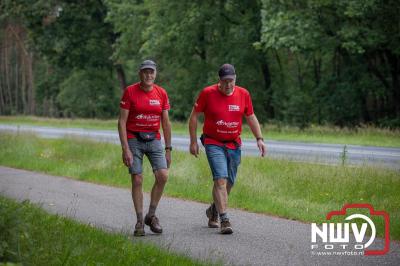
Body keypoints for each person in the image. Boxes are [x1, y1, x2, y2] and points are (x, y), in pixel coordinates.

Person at [188, 63, 266, 234]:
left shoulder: (243, 94)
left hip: (233, 144)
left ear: (235, 79)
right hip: (213, 142)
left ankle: (213, 210)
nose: (228, 84)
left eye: (231, 80)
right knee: (220, 180)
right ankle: (224, 219)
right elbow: (194, 117)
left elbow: (250, 116)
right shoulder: (208, 93)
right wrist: (193, 141)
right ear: (219, 81)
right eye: (225, 81)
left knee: (229, 182)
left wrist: (259, 138)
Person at [118, 59, 172, 236]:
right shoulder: (130, 92)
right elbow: (122, 122)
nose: (149, 75)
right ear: (140, 74)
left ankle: (151, 215)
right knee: (138, 178)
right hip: (134, 137)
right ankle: (140, 220)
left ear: (155, 74)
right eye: (145, 72)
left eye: (151, 72)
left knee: (163, 175)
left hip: (154, 138)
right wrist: (125, 148)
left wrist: (168, 148)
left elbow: (165, 122)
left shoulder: (161, 93)